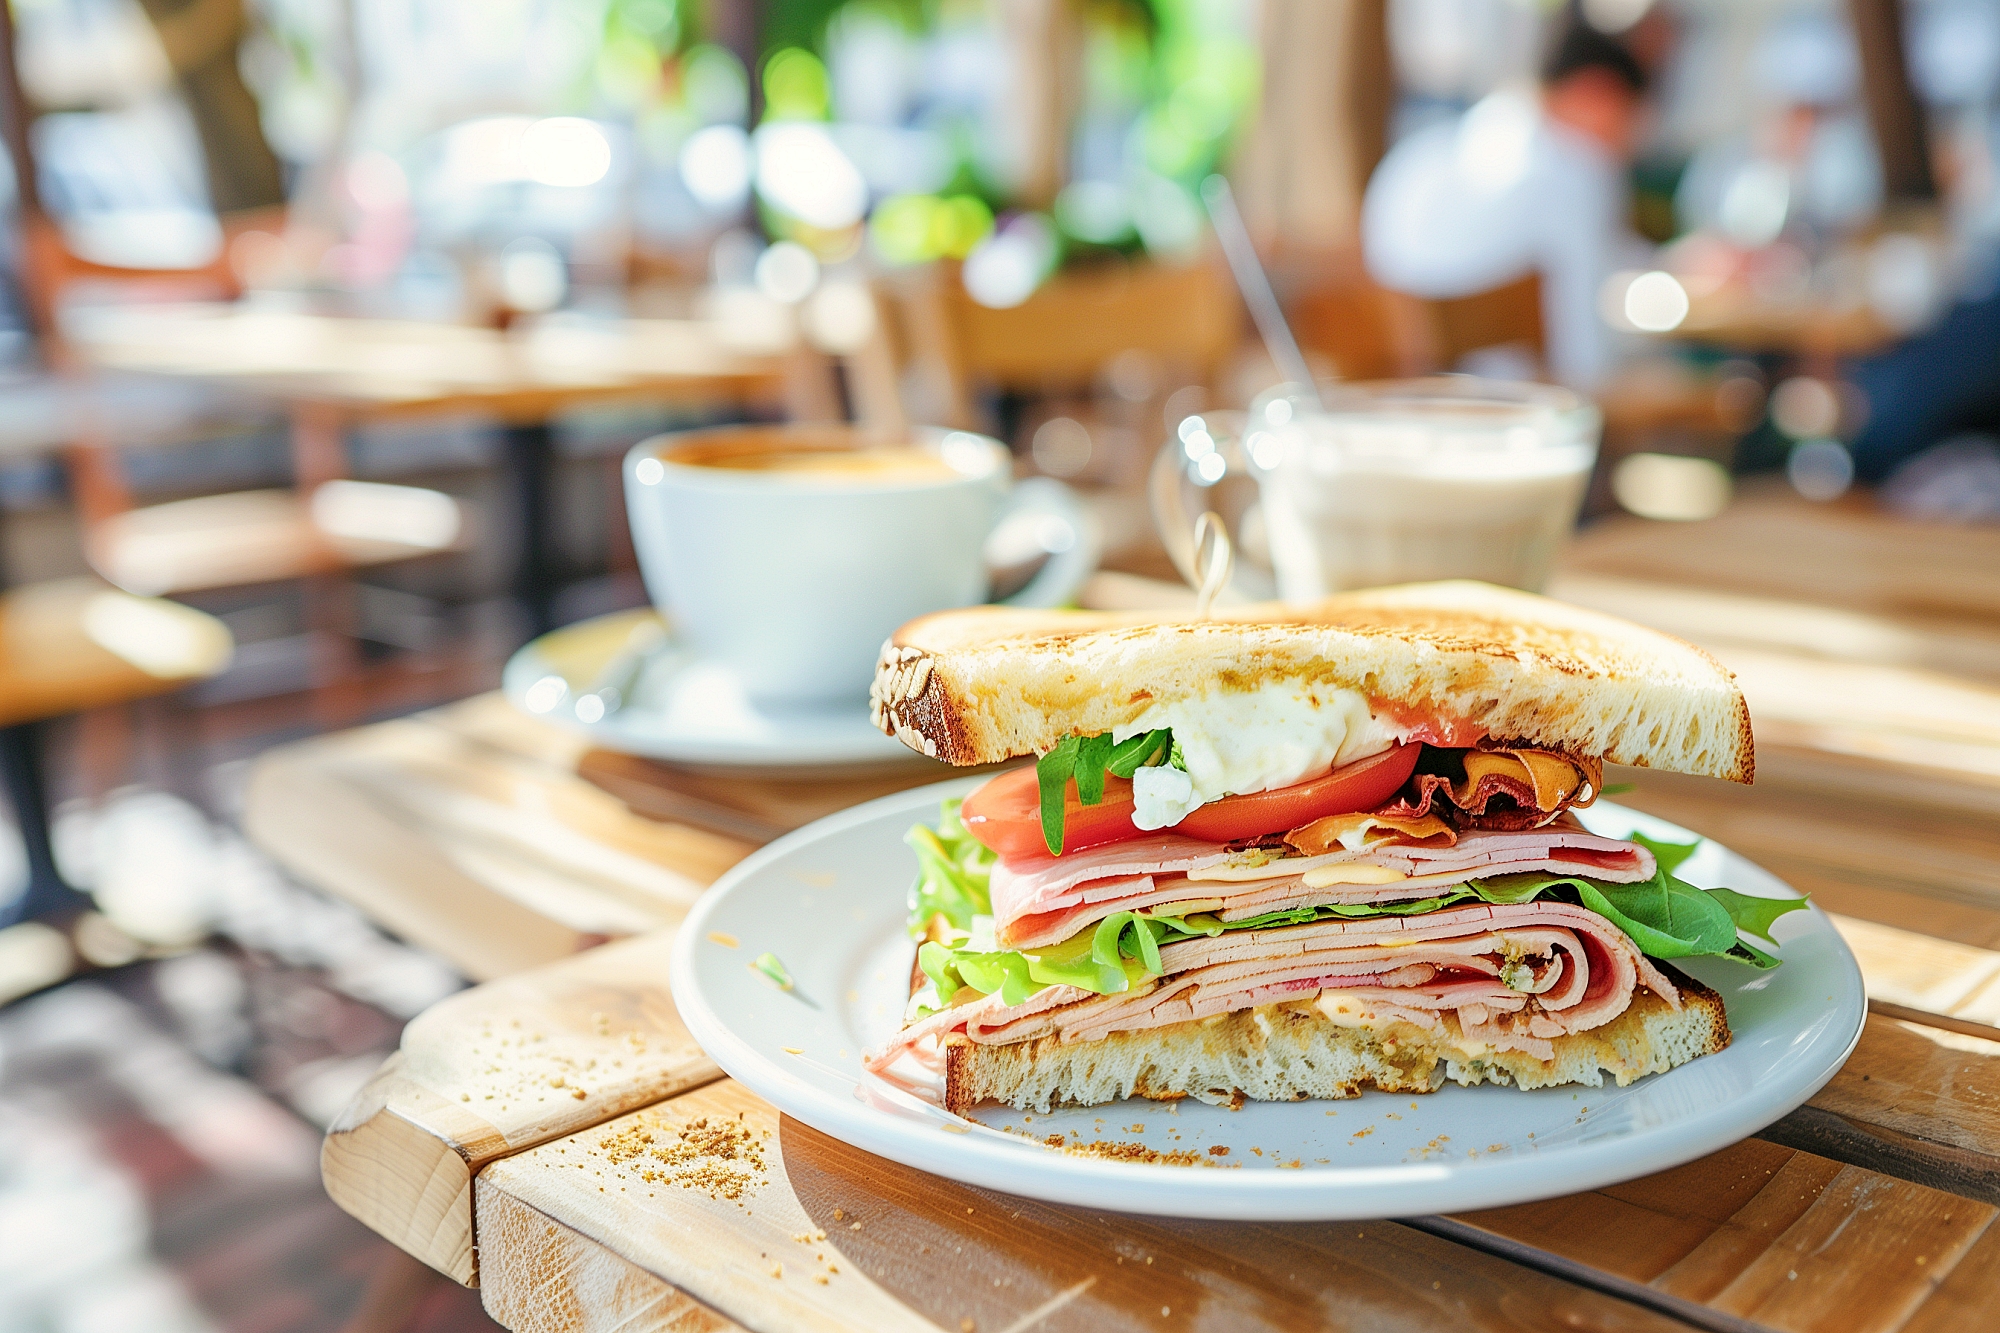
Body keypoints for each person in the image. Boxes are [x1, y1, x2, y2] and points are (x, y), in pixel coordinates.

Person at [1362, 6, 1658, 389]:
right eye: (1628, 121)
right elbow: (1585, 358)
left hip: (1411, 395)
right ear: (1596, 93)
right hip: (1515, 409)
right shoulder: (1573, 170)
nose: (1628, 144)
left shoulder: (1429, 153)